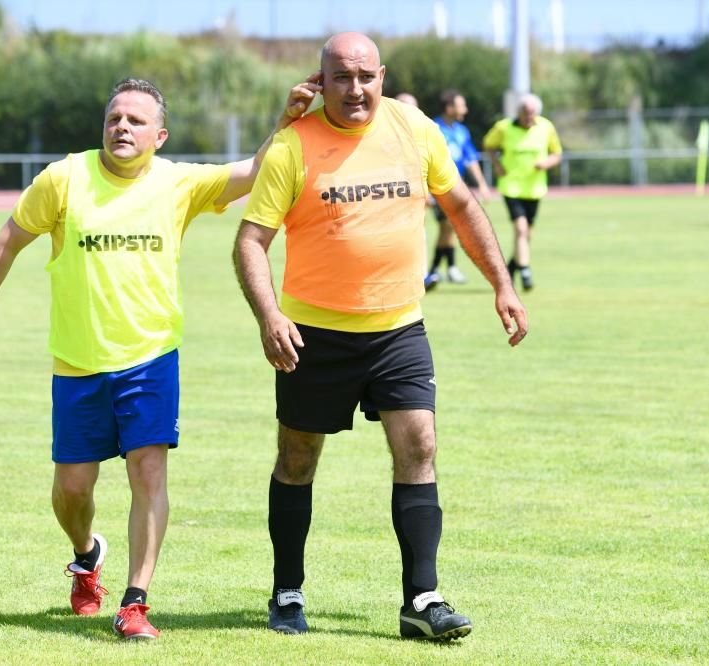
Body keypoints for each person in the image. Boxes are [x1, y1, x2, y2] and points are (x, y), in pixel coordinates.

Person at [0, 77, 313, 640]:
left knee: (148, 470)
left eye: (136, 121)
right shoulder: (63, 179)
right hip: (78, 362)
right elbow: (4, 245)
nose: (122, 127)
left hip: (150, 358)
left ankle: (135, 601)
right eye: (114, 118)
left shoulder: (180, 183)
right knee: (73, 490)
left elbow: (251, 170)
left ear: (160, 136)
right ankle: (87, 553)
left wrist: (286, 119)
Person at [233, 32, 528, 642]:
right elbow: (250, 243)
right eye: (341, 77)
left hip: (398, 328)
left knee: (419, 445)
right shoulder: (294, 145)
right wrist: (269, 317)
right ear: (320, 80)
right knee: (296, 459)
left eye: (365, 75)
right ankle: (288, 591)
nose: (356, 88)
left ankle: (422, 599)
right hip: (313, 333)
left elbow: (464, 208)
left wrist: (501, 283)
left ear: (382, 75)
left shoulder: (416, 130)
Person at [483, 93, 562, 291]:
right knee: (520, 229)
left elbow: (557, 154)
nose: (528, 117)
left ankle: (509, 271)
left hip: (534, 188)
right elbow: (489, 145)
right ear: (518, 112)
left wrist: (547, 163)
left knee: (527, 236)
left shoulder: (546, 127)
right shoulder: (504, 127)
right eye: (525, 113)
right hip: (511, 186)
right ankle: (525, 272)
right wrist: (497, 165)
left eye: (532, 114)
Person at [425, 89, 493, 290]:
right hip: (436, 188)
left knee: (449, 228)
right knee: (448, 226)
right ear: (449, 108)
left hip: (456, 187)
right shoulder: (432, 128)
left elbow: (470, 159)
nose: (465, 109)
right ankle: (438, 269)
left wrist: (481, 184)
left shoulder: (462, 131)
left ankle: (441, 269)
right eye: (461, 105)